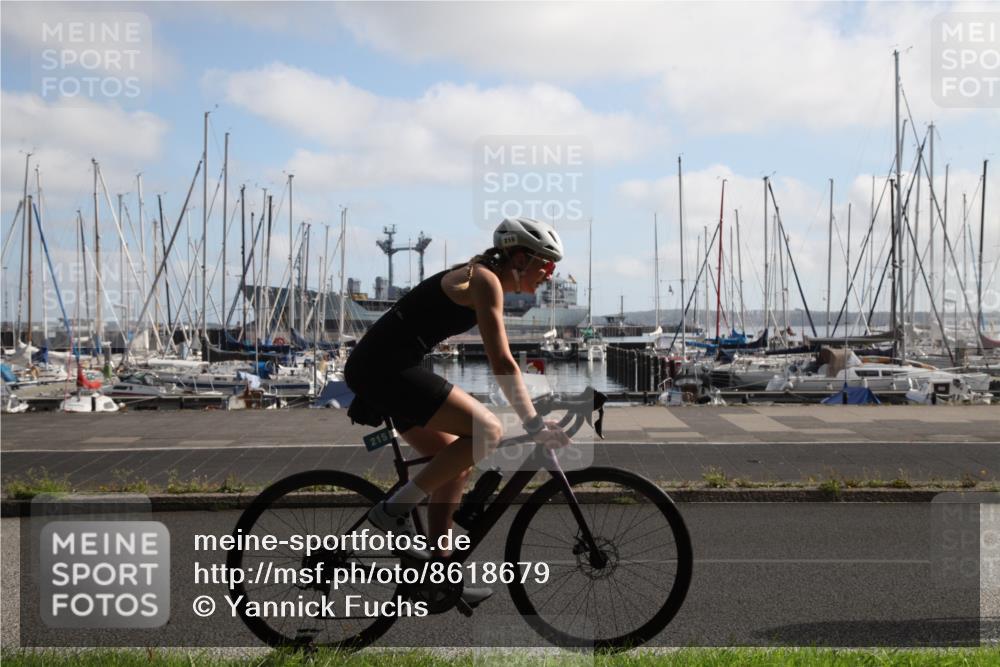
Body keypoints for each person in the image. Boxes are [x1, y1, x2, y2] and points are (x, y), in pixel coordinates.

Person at [344, 217, 571, 605]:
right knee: (487, 431)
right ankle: (393, 510)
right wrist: (533, 423)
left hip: (385, 368)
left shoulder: (479, 277)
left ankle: (440, 576)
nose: (550, 274)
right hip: (385, 370)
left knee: (455, 464)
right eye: (546, 264)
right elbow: (502, 362)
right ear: (520, 258)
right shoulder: (484, 280)